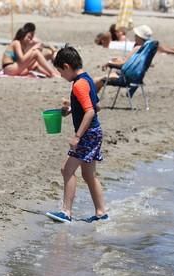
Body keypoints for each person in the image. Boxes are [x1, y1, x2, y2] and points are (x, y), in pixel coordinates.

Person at [45, 46, 108, 224]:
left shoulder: (79, 84)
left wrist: (77, 137)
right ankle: (101, 212)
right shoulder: (87, 79)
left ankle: (66, 212)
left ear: (66, 66)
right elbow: (96, 106)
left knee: (67, 169)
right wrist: (71, 110)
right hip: (94, 132)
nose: (60, 75)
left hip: (87, 134)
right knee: (89, 175)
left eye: (60, 71)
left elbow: (89, 112)